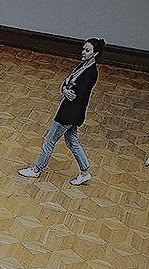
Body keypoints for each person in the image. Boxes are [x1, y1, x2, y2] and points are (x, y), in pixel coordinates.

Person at [19, 37, 105, 186]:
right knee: (72, 141)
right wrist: (65, 89)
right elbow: (67, 82)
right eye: (83, 49)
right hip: (71, 112)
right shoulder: (82, 66)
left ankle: (37, 169)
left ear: (95, 54)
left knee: (49, 140)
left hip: (69, 114)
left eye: (87, 50)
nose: (83, 52)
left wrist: (66, 89)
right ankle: (85, 172)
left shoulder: (91, 73)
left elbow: (74, 94)